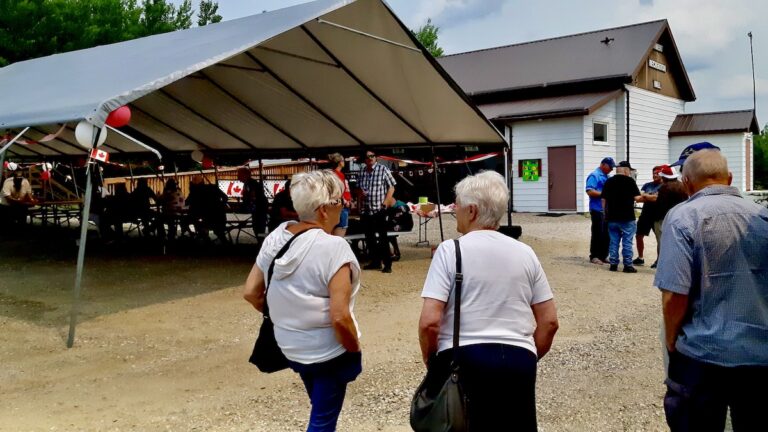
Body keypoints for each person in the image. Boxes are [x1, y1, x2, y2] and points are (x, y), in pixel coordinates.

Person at [418, 171, 559, 431]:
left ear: (471, 211)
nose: (454, 211)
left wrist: (433, 364)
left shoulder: (451, 250)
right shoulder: (525, 252)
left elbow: (430, 322)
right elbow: (549, 322)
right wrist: (527, 354)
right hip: (519, 360)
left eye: (457, 205)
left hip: (464, 358)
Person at [654, 149, 768, 431]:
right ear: (729, 178)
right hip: (759, 356)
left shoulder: (681, 218)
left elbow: (674, 295)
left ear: (687, 182)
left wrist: (671, 340)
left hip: (701, 355)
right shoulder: (762, 216)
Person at [243, 170, 362, 432]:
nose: (342, 206)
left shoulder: (278, 235)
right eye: (338, 201)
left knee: (319, 406)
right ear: (323, 210)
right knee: (322, 421)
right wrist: (354, 348)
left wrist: (286, 312)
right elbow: (340, 316)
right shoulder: (334, 248)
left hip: (291, 344)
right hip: (328, 349)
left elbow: (251, 291)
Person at [358, 151, 396, 273]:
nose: (369, 158)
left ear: (376, 158)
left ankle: (387, 264)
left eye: (372, 156)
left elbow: (392, 186)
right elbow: (358, 189)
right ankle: (375, 262)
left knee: (383, 238)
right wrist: (360, 194)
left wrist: (386, 202)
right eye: (367, 157)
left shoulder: (383, 169)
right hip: (366, 210)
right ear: (364, 160)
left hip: (379, 209)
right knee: (369, 239)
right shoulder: (362, 171)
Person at [601, 161, 642, 273]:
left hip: (612, 217)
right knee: (627, 242)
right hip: (627, 217)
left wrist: (605, 213)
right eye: (629, 170)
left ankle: (613, 264)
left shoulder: (609, 181)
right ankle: (628, 265)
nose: (630, 172)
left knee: (614, 241)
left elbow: (603, 199)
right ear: (626, 170)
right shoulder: (630, 181)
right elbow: (637, 198)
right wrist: (649, 197)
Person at [650, 165, 688, 269]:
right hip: (680, 218)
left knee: (662, 243)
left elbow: (659, 204)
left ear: (665, 177)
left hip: (663, 218)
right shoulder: (683, 186)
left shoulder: (664, 188)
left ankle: (662, 264)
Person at [585, 157, 615, 264]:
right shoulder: (594, 175)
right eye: (610, 166)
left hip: (606, 209)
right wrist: (604, 194)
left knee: (607, 234)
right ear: (603, 165)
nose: (611, 169)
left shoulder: (607, 176)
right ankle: (594, 256)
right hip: (597, 209)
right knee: (598, 232)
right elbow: (589, 191)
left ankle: (603, 255)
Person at [633, 166, 663, 266]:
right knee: (638, 235)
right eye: (653, 173)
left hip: (657, 215)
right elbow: (638, 198)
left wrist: (646, 196)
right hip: (645, 214)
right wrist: (651, 196)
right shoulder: (647, 185)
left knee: (659, 239)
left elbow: (657, 199)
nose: (655, 175)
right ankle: (640, 258)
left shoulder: (664, 186)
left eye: (657, 173)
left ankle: (659, 260)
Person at [186, 175, 229, 243]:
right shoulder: (213, 188)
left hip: (204, 220)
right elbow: (225, 197)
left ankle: (205, 240)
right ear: (203, 181)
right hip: (219, 218)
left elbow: (186, 203)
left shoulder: (194, 192)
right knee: (220, 233)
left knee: (194, 221)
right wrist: (221, 205)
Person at [238, 167, 268, 235]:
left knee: (259, 228)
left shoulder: (251, 183)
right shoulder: (248, 183)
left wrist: (247, 205)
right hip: (258, 208)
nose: (238, 178)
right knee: (257, 228)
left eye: (239, 175)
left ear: (245, 175)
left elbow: (253, 197)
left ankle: (263, 242)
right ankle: (261, 241)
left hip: (260, 208)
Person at [328, 153, 352, 237]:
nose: (344, 162)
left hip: (337, 206)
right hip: (341, 206)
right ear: (339, 162)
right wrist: (345, 201)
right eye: (343, 160)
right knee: (339, 237)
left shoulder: (333, 174)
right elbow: (336, 191)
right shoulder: (337, 174)